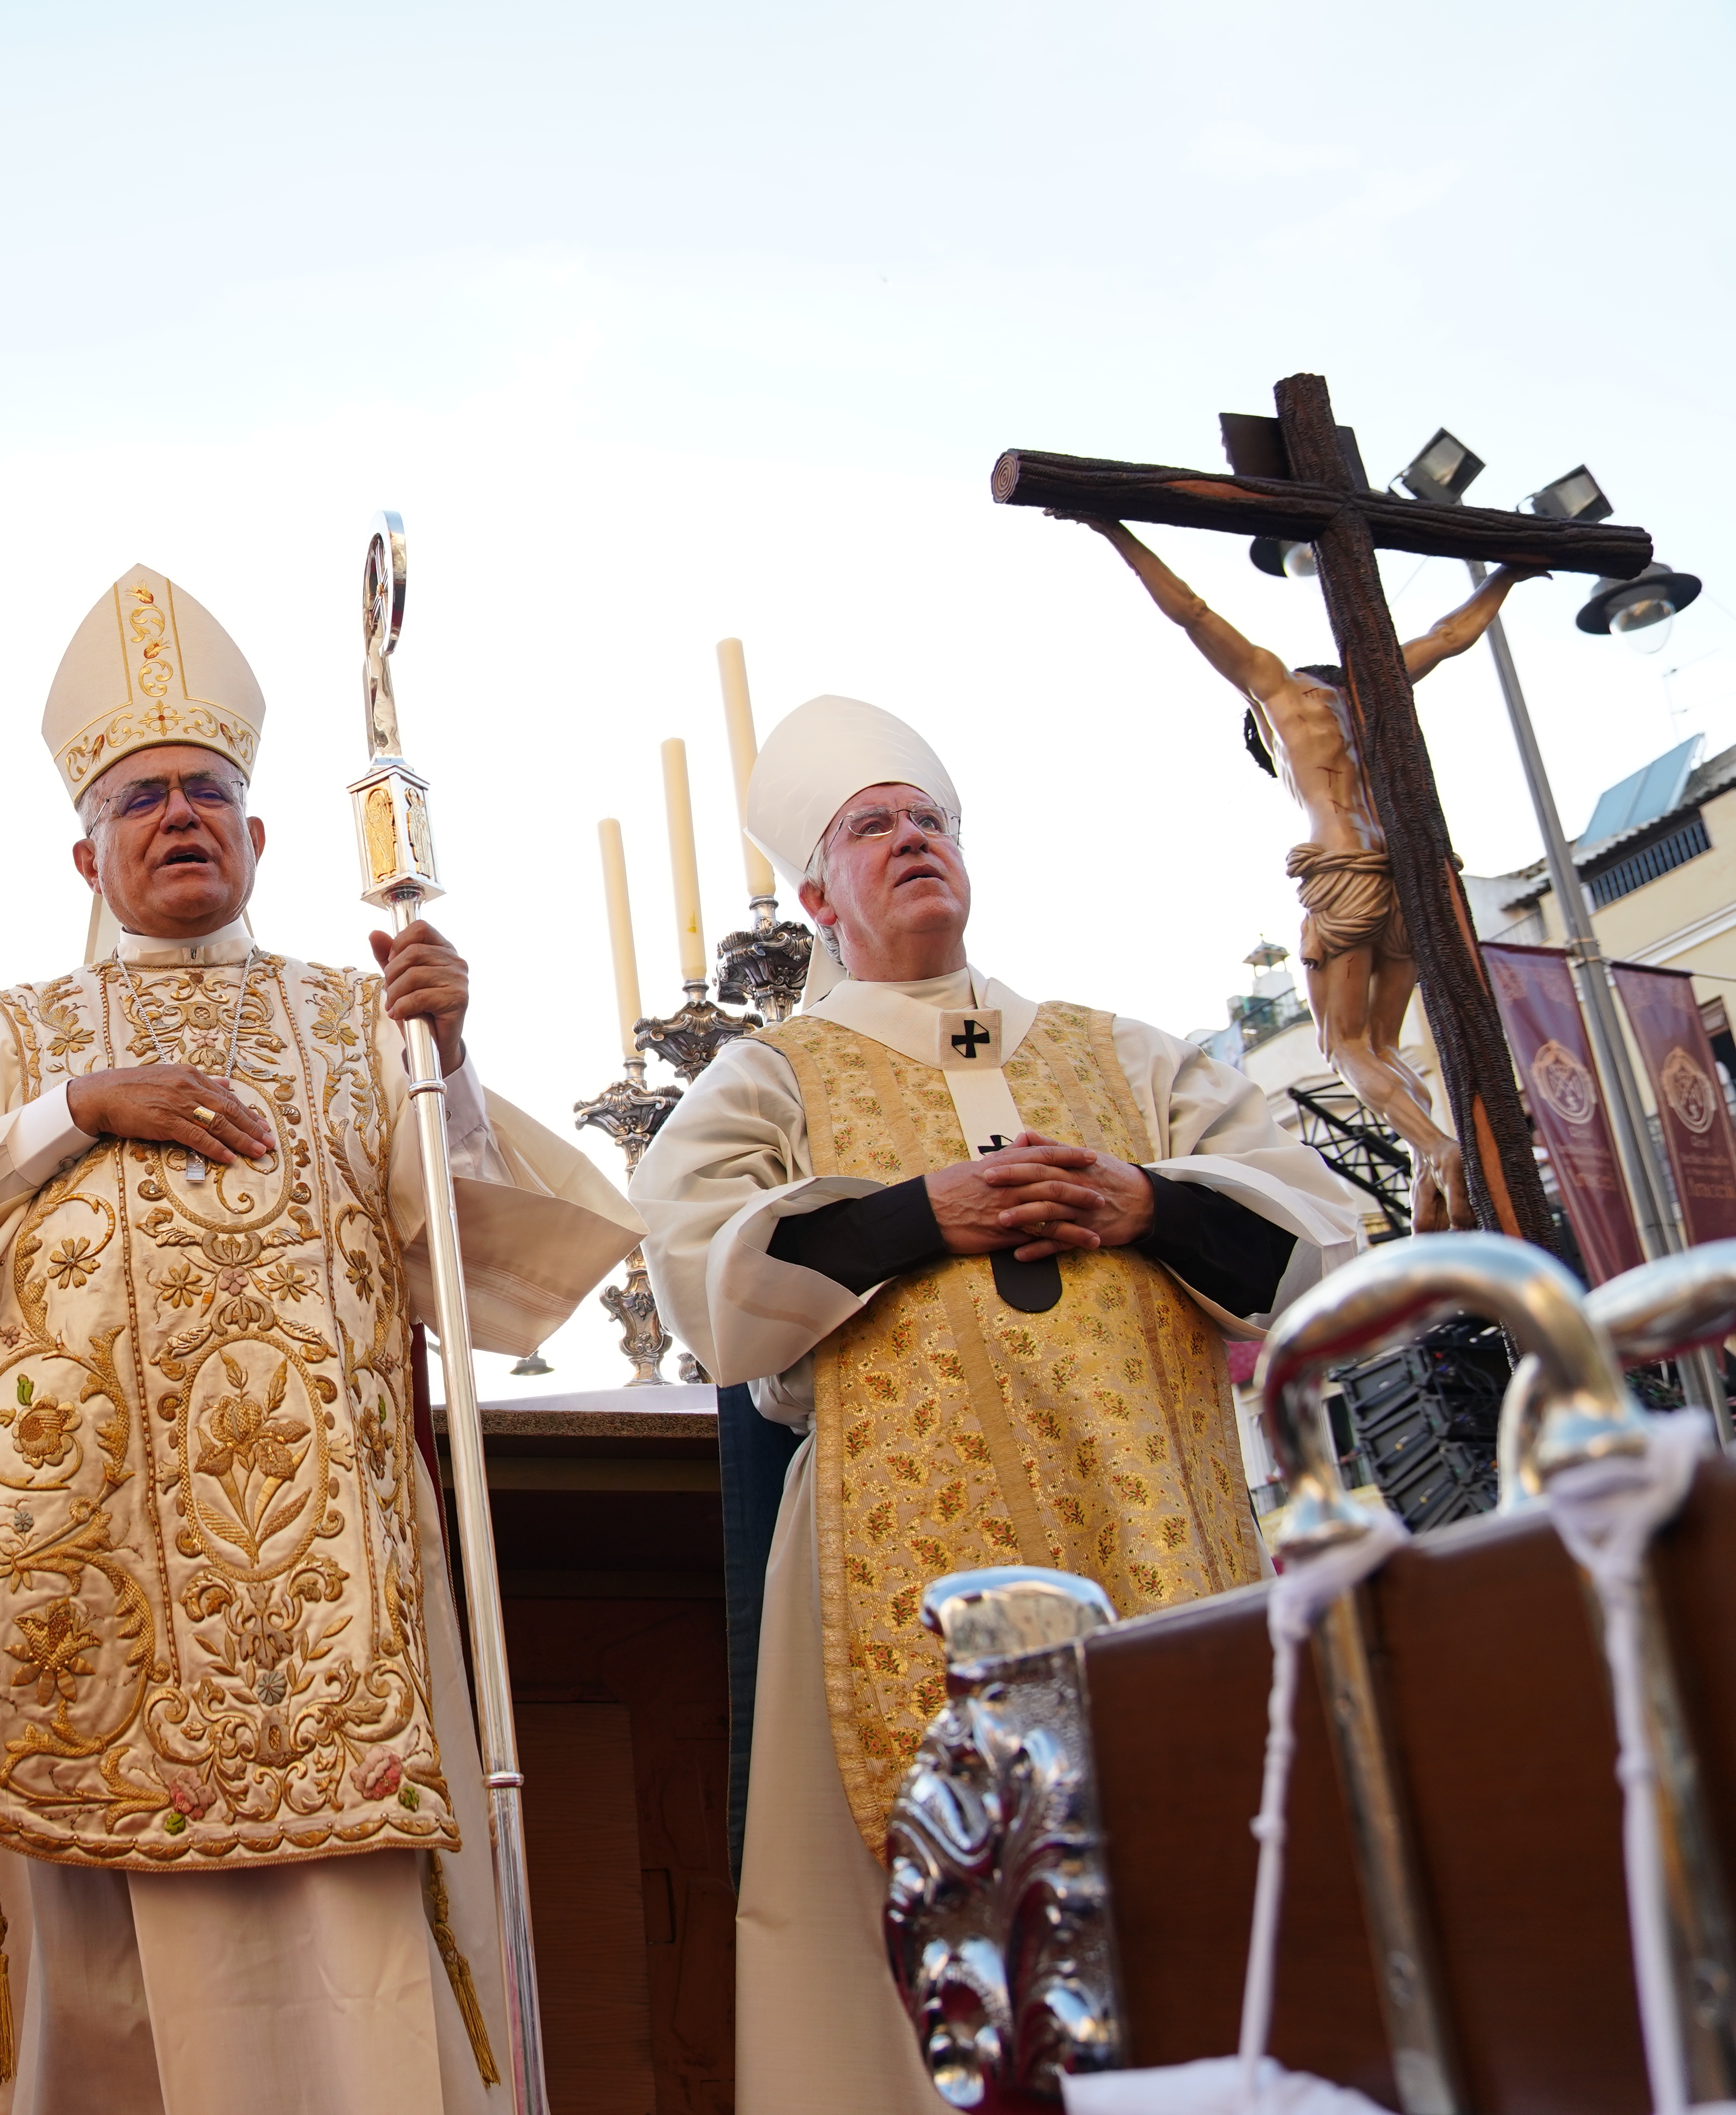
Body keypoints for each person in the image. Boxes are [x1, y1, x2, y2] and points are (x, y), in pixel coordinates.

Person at [0, 564, 639, 2113]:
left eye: (209, 790)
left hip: (338, 1619)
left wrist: (446, 1067)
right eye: (143, 799)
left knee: (369, 1993)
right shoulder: (9, 1036)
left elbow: (472, 1271)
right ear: (87, 848)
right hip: (84, 1603)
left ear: (260, 836)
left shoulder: (359, 1023)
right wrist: (73, 1111)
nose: (179, 814)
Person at [630, 694, 1365, 2113]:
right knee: (896, 1908)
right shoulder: (770, 1075)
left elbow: (1324, 1232)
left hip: (1153, 1521)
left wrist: (1152, 1200)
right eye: (872, 828)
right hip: (884, 1564)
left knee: (1196, 1855)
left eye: (931, 821)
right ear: (814, 896)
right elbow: (696, 1266)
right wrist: (918, 1213)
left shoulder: (1135, 1057)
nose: (912, 841)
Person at [1060, 512, 1541, 1230]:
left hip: (1343, 870)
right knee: (1388, 1041)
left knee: (1345, 1047)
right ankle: (1426, 1164)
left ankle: (1441, 1151)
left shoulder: (1277, 696)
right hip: (1409, 878)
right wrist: (1508, 575)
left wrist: (1112, 527)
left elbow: (1191, 611)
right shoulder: (1371, 693)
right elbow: (1449, 637)